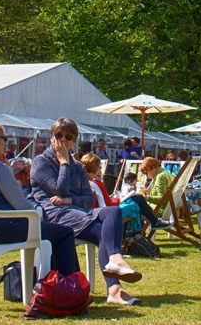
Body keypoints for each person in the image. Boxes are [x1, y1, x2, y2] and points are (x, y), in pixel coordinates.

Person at [31, 118, 143, 306]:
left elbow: (88, 200)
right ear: (51, 138)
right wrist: (64, 163)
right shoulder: (41, 162)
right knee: (104, 232)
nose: (63, 141)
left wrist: (70, 200)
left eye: (68, 137)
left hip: (78, 212)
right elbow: (60, 189)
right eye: (59, 136)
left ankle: (115, 263)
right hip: (55, 216)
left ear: (74, 140)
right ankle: (115, 287)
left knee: (113, 211)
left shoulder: (79, 166)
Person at [0, 122, 82, 281]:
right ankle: (71, 288)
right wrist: (39, 212)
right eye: (4, 138)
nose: (6, 142)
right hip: (6, 228)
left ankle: (59, 285)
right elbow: (22, 205)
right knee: (64, 232)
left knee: (54, 232)